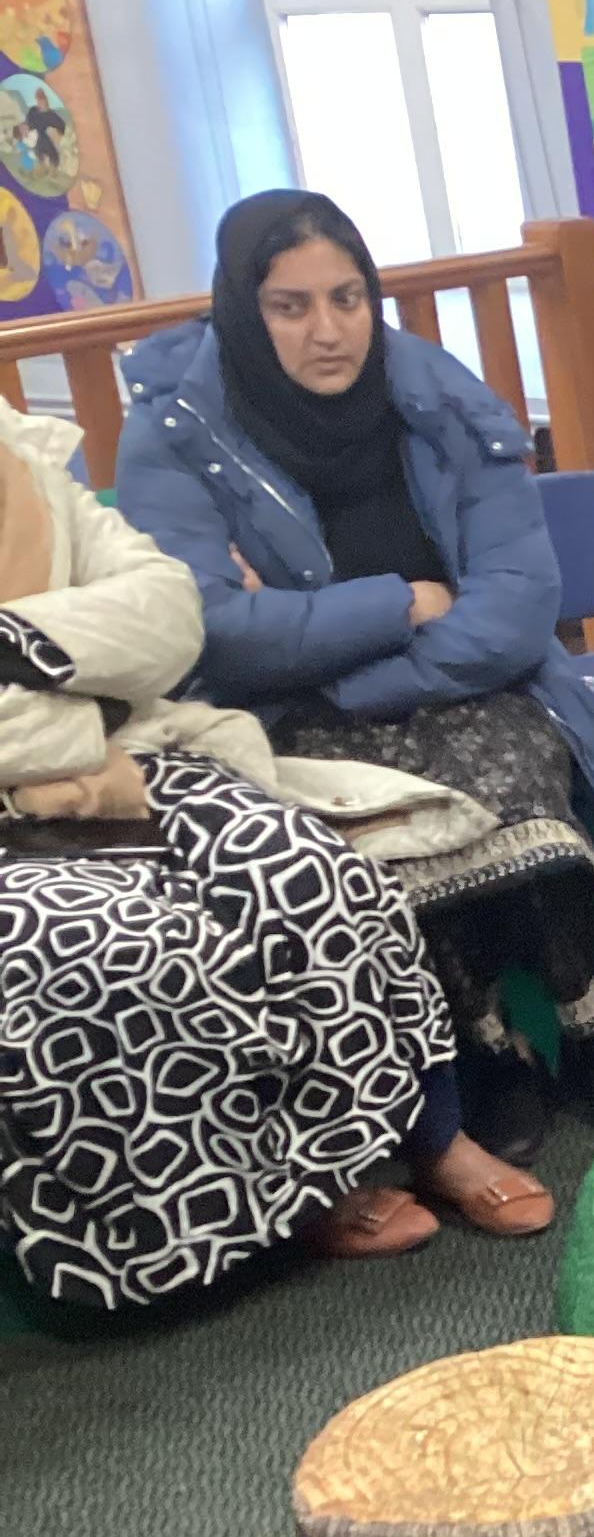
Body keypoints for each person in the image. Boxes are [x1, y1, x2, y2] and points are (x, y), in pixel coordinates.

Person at [115, 190, 594, 1167]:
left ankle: (588, 1032)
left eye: (347, 299)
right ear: (242, 310)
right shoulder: (174, 435)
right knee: (390, 827)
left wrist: (338, 659)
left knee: (526, 782)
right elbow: (212, 632)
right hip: (289, 717)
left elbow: (517, 604)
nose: (328, 330)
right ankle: (487, 1053)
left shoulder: (441, 401)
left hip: (447, 686)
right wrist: (398, 602)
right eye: (290, 306)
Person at [0, 403, 547, 1309]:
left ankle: (431, 1136)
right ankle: (271, 1202)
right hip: (49, 787)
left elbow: (168, 612)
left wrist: (19, 646)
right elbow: (117, 651)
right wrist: (77, 690)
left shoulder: (21, 455)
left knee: (306, 867)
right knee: (124, 944)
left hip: (125, 758)